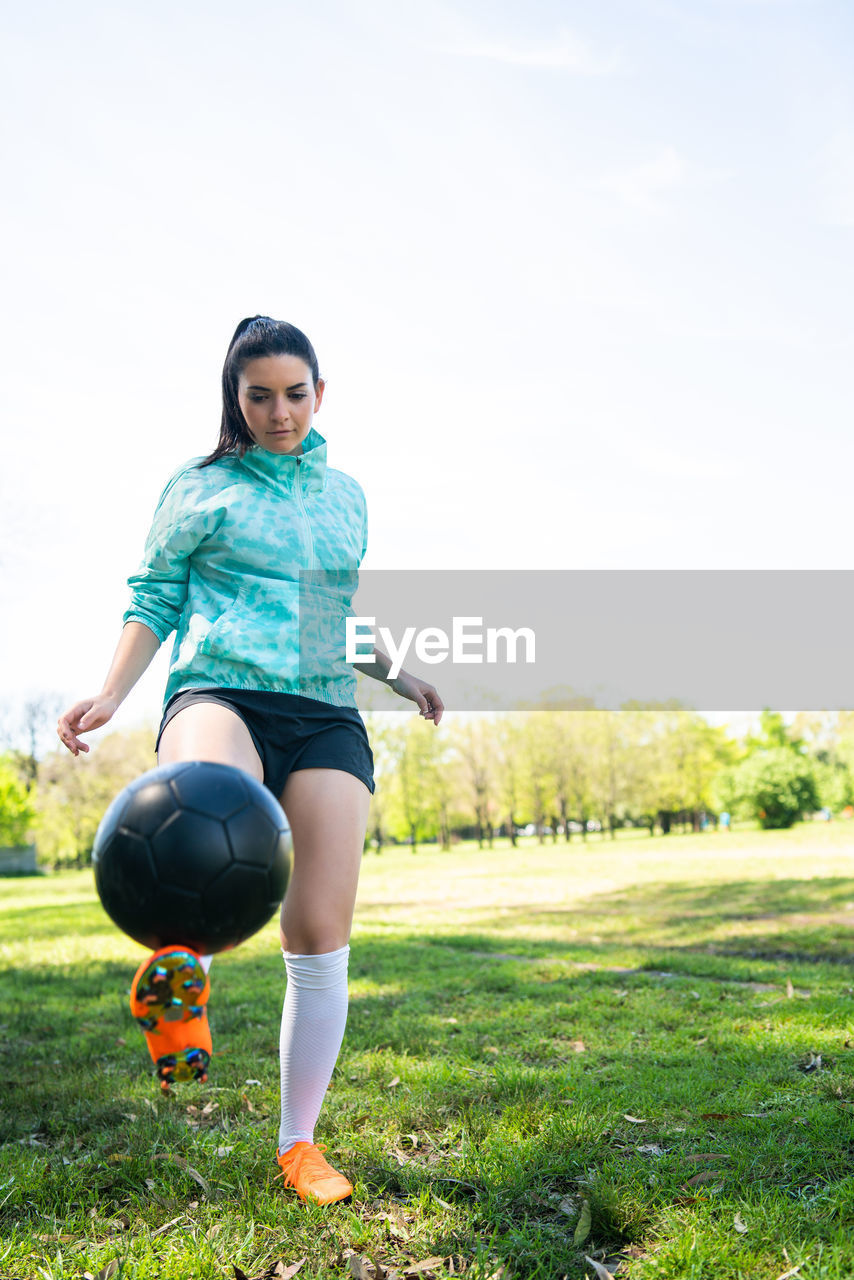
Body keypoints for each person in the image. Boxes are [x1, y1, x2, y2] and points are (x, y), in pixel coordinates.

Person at [57, 315, 443, 1206]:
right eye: (259, 395)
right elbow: (154, 593)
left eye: (295, 393)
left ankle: (299, 1144)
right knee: (207, 812)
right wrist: (113, 695)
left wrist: (401, 675)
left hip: (322, 712)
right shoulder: (201, 486)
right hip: (222, 690)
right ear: (235, 399)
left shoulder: (346, 495)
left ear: (321, 393)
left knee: (318, 930)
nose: (279, 412)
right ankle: (179, 980)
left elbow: (334, 615)